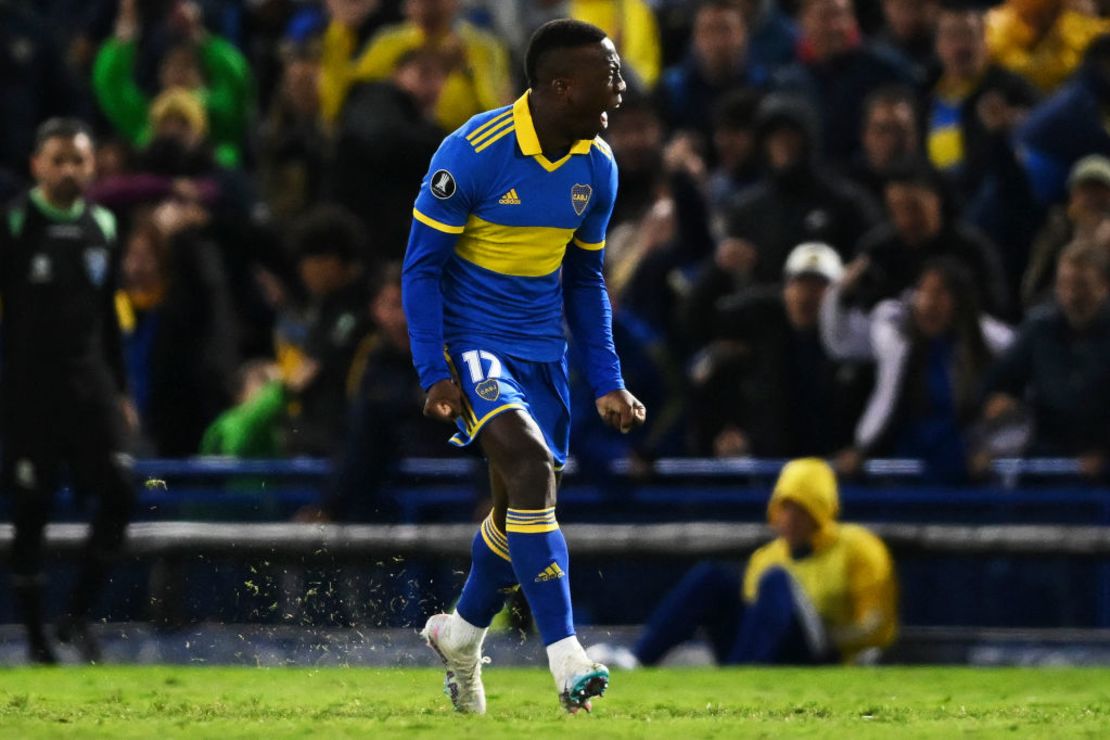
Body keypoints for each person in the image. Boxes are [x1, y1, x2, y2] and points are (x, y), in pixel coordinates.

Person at [402, 20, 645, 714]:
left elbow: (585, 280)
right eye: (608, 74)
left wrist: (608, 380)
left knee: (517, 515)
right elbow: (421, 268)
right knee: (533, 469)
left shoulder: (598, 166)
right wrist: (432, 369)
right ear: (559, 85)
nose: (621, 85)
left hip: (544, 353)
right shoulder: (474, 152)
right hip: (472, 341)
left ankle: (459, 635)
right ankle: (568, 659)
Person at [1, 119, 135, 663]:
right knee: (31, 509)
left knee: (122, 491)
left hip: (90, 385)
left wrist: (121, 388)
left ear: (92, 165)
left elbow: (106, 315)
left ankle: (75, 616)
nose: (68, 171)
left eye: (77, 160)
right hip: (29, 390)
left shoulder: (103, 223)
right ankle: (36, 639)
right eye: (57, 160)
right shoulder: (14, 223)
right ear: (36, 164)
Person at [592, 458, 897, 668]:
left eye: (800, 509)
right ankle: (639, 659)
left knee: (777, 581)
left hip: (821, 655)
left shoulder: (857, 547)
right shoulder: (766, 556)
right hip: (764, 652)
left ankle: (741, 671)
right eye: (784, 507)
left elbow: (877, 625)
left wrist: (835, 638)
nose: (788, 519)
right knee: (711, 577)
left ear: (820, 510)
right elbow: (757, 620)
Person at [821, 257, 1014, 481]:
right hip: (899, 471)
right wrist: (839, 293)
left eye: (940, 293)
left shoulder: (988, 340)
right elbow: (842, 343)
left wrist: (995, 447)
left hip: (963, 473)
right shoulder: (893, 332)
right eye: (923, 291)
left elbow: (1022, 387)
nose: (929, 302)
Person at [686, 243, 870, 459]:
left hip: (829, 473)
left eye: (819, 286)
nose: (807, 295)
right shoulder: (763, 335)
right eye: (800, 284)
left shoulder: (854, 350)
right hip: (769, 469)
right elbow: (697, 322)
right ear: (786, 290)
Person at [983, 242, 1110, 475]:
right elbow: (1001, 381)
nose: (1072, 296)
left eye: (1082, 286)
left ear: (1104, 286)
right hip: (1047, 452)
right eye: (1065, 285)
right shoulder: (1039, 328)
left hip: (1101, 459)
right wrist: (1001, 399)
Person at [1022, 155, 1110, 309]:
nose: (1093, 199)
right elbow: (1032, 293)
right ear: (1073, 196)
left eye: (1101, 191)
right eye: (1087, 190)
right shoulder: (1057, 233)